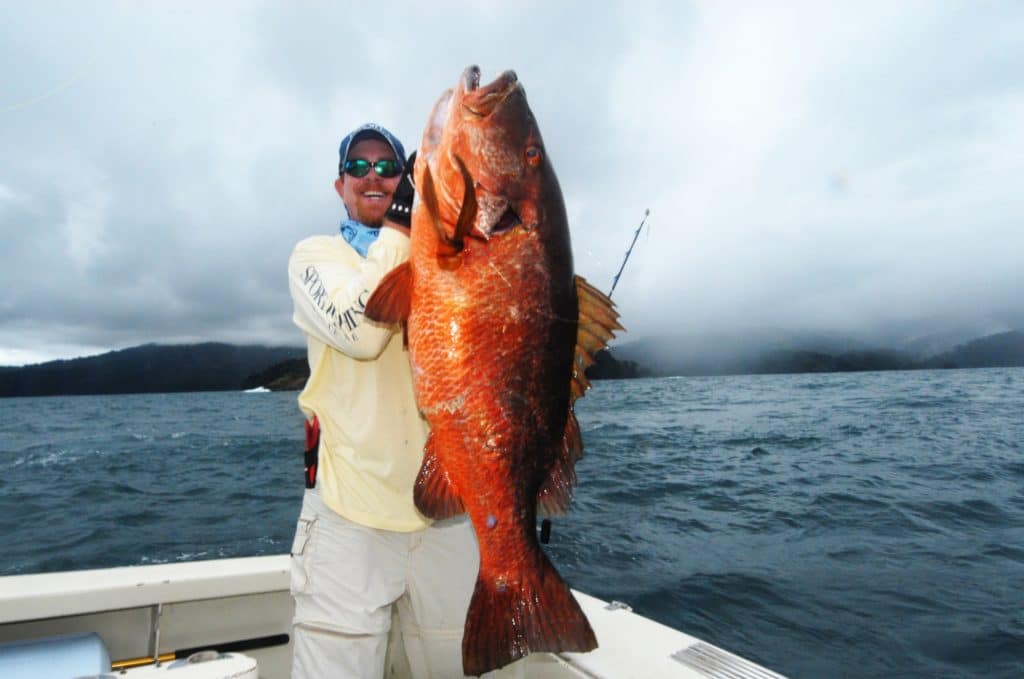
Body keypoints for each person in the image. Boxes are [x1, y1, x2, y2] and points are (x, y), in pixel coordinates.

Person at [286, 123, 491, 678]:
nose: (373, 176)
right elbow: (362, 329)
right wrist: (404, 227)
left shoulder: (448, 262)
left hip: (446, 521)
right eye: (358, 167)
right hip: (349, 522)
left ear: (407, 178)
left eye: (388, 166)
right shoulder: (315, 258)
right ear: (340, 186)